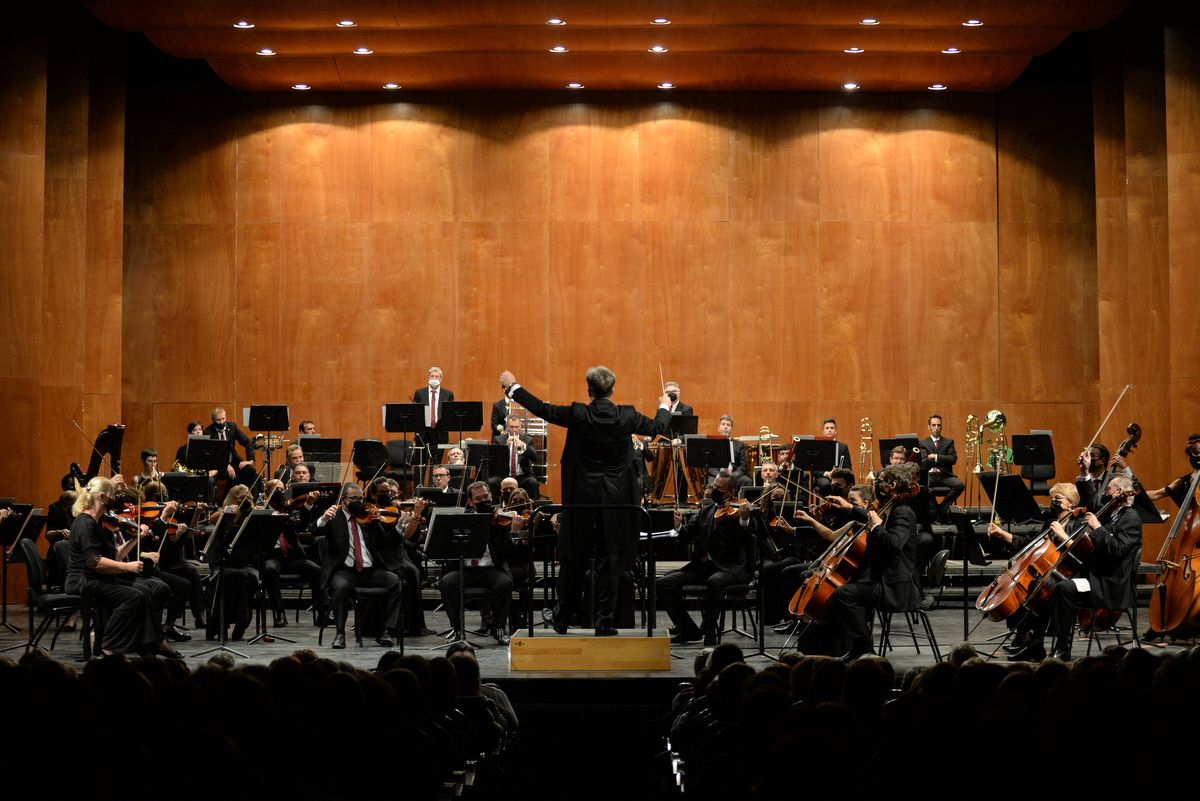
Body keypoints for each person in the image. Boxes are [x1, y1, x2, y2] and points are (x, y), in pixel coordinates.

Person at [501, 366, 672, 635]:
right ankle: (604, 622)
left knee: (573, 558)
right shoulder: (626, 415)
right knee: (610, 559)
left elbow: (543, 410)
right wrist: (665, 405)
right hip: (616, 501)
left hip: (582, 498)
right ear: (612, 389)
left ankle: (562, 618)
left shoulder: (579, 413)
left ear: (589, 390)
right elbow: (657, 426)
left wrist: (513, 387)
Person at [1005, 474, 1141, 661]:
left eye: (1108, 489)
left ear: (1119, 492)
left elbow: (1117, 551)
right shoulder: (1111, 513)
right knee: (1048, 585)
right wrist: (1085, 472)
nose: (1105, 493)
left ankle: (1062, 648)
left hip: (1109, 584)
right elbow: (1093, 502)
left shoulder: (1131, 518)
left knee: (1064, 587)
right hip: (1093, 577)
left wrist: (1098, 528)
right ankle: (1035, 643)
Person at [64, 476, 181, 658]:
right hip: (83, 580)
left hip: (97, 577)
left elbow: (115, 556)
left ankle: (150, 643)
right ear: (102, 497)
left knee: (146, 590)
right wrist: (127, 568)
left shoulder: (100, 521)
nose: (117, 498)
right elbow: (95, 562)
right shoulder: (84, 523)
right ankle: (109, 645)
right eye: (113, 494)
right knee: (135, 596)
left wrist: (136, 538)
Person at [829, 462, 923, 660]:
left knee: (845, 594)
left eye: (881, 483)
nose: (877, 486)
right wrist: (850, 508)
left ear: (893, 485)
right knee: (847, 588)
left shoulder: (903, 512)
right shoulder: (892, 507)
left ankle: (864, 649)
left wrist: (877, 528)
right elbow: (871, 516)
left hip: (895, 587)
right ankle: (856, 647)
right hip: (882, 580)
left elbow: (894, 543)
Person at [657, 471, 759, 646]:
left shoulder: (740, 512)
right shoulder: (706, 511)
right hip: (704, 567)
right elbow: (686, 535)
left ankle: (710, 628)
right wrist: (679, 526)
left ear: (731, 491)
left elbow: (748, 539)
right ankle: (689, 629)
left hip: (729, 568)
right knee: (662, 584)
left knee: (714, 582)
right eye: (714, 486)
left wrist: (743, 520)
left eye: (719, 488)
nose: (714, 490)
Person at [316, 482, 403, 649]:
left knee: (396, 582)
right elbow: (315, 529)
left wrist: (386, 525)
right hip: (345, 570)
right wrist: (324, 518)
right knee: (340, 587)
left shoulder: (369, 517)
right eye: (354, 498)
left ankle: (386, 630)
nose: (359, 502)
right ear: (344, 500)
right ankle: (340, 634)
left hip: (370, 570)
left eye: (361, 498)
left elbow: (385, 542)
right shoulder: (334, 517)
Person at [437, 481, 519, 645]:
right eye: (478, 498)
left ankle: (499, 629)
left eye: (486, 496)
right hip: (465, 570)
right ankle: (457, 629)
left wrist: (511, 531)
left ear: (491, 496)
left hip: (490, 569)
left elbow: (509, 553)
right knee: (446, 583)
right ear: (470, 502)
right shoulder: (462, 519)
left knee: (504, 584)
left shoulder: (499, 521)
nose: (484, 500)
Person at [919, 414, 964, 519]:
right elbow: (924, 462)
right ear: (929, 427)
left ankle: (941, 508)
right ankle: (935, 511)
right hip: (930, 475)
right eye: (933, 425)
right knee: (925, 488)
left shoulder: (948, 442)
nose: (936, 428)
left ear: (941, 426)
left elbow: (953, 459)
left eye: (938, 425)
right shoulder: (922, 443)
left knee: (959, 485)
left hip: (945, 475)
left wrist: (935, 456)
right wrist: (943, 459)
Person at [413, 366, 454, 477]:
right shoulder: (419, 393)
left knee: (436, 469)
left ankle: (434, 492)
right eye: (432, 376)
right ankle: (418, 491)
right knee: (421, 468)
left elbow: (449, 416)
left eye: (437, 376)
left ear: (441, 379)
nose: (434, 378)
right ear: (428, 378)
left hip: (439, 435)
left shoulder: (448, 394)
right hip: (423, 435)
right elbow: (416, 415)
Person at [490, 414, 541, 500]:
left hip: (522, 476)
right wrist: (505, 447)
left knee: (533, 483)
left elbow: (534, 458)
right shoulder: (498, 439)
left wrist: (524, 446)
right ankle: (494, 510)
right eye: (511, 427)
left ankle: (533, 511)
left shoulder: (528, 440)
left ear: (520, 427)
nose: (514, 430)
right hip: (504, 476)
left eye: (516, 427)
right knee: (491, 482)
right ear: (507, 427)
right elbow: (494, 459)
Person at [204, 407, 256, 485]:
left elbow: (248, 442)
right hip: (218, 466)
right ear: (213, 420)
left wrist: (250, 461)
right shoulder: (208, 432)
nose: (221, 422)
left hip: (233, 462)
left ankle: (245, 495)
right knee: (230, 477)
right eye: (218, 420)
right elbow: (212, 455)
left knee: (250, 470)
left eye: (223, 419)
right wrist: (226, 466)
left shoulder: (231, 427)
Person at [706, 415, 751, 489]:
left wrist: (733, 475)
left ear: (731, 429)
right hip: (716, 475)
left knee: (747, 481)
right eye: (723, 424)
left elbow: (743, 466)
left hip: (734, 475)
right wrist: (719, 475)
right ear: (718, 428)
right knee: (710, 484)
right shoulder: (712, 444)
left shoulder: (740, 445)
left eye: (728, 425)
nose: (725, 427)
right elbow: (709, 466)